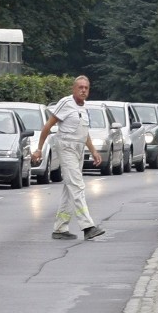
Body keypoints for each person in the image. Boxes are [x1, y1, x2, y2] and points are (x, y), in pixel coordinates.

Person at [32, 75, 106, 241]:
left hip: (79, 149)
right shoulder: (66, 103)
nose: (83, 90)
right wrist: (39, 149)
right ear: (73, 89)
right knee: (77, 186)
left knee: (69, 188)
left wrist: (93, 151)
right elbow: (47, 126)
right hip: (66, 147)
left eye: (86, 88)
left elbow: (84, 133)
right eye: (80, 87)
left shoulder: (85, 109)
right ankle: (88, 226)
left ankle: (60, 228)